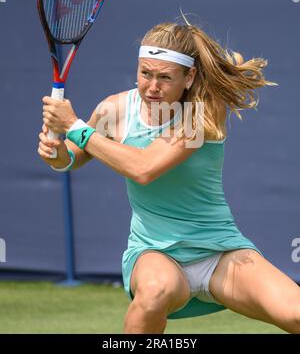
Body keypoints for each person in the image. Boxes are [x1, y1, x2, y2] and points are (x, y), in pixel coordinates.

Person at [38, 21, 300, 334]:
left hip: (220, 252)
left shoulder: (205, 110)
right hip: (155, 253)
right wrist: (58, 155)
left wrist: (76, 127)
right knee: (154, 293)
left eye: (165, 77)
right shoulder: (114, 109)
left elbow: (144, 168)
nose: (152, 87)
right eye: (145, 73)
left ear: (189, 77)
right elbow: (74, 156)